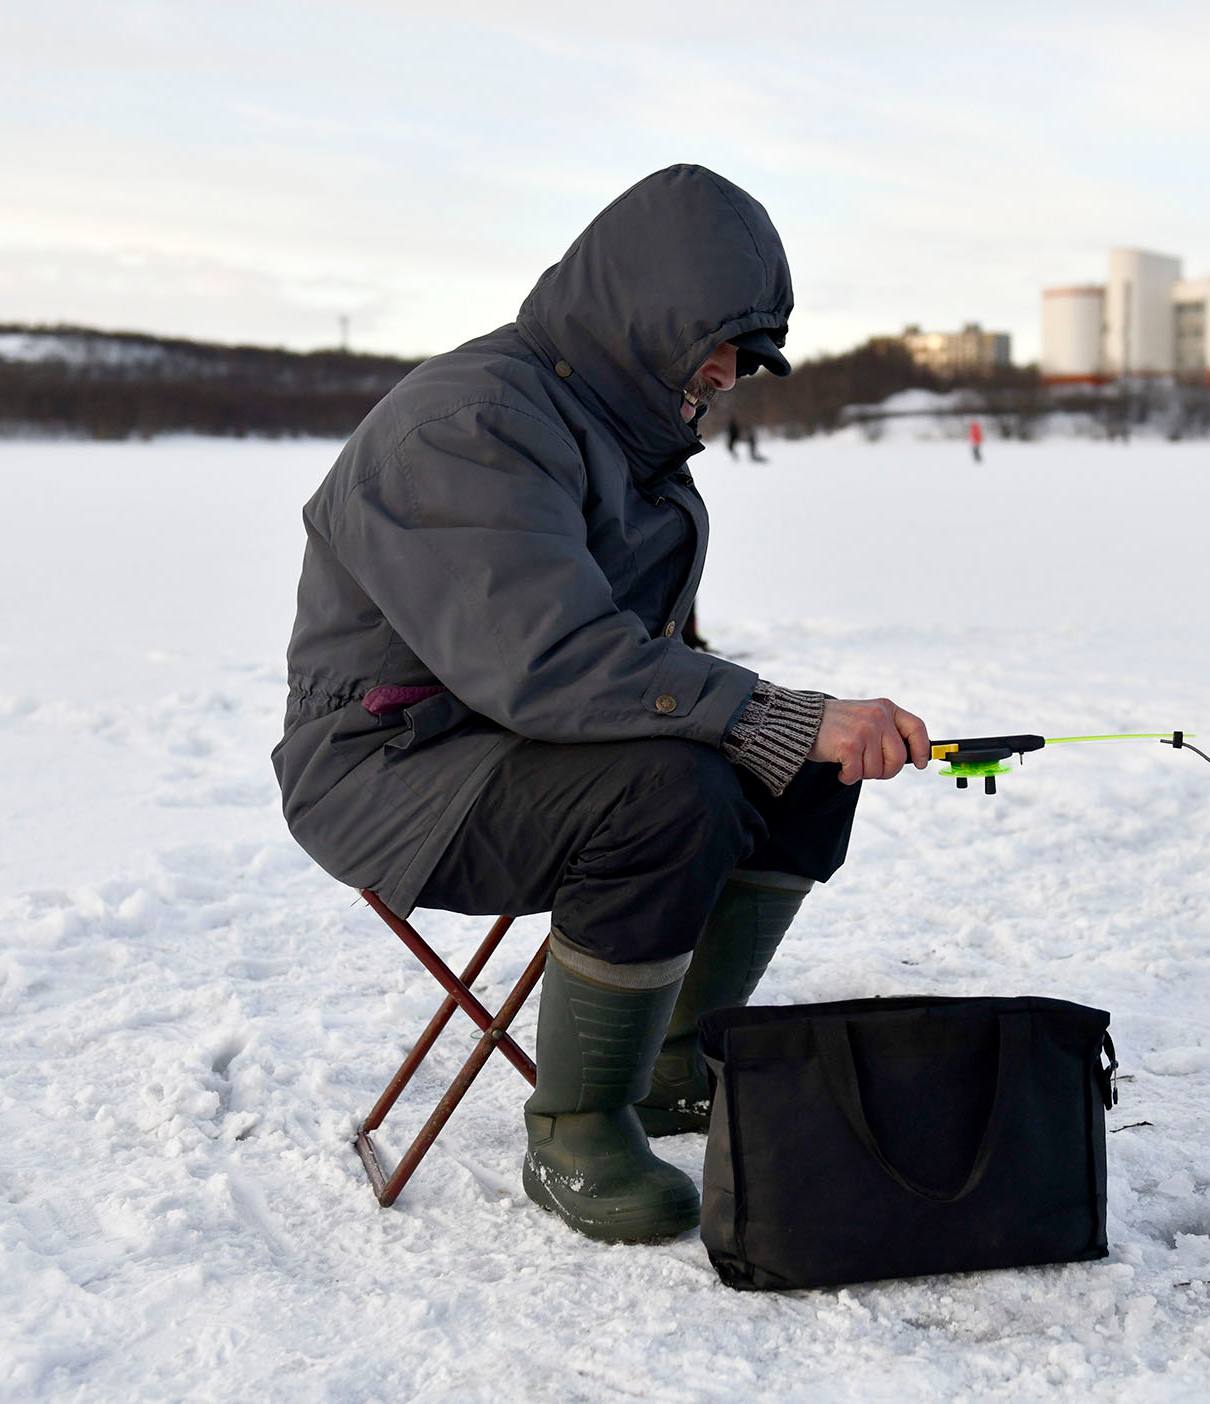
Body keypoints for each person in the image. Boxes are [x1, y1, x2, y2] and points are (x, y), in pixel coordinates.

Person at [272, 166, 931, 1244]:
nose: (724, 375)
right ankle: (576, 1125)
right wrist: (771, 713)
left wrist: (790, 730)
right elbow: (546, 658)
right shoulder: (470, 424)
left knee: (798, 766)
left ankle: (676, 1058)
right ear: (638, 317)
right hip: (391, 772)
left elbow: (651, 664)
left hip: (513, 747)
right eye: (709, 343)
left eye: (745, 354)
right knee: (674, 793)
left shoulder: (619, 437)